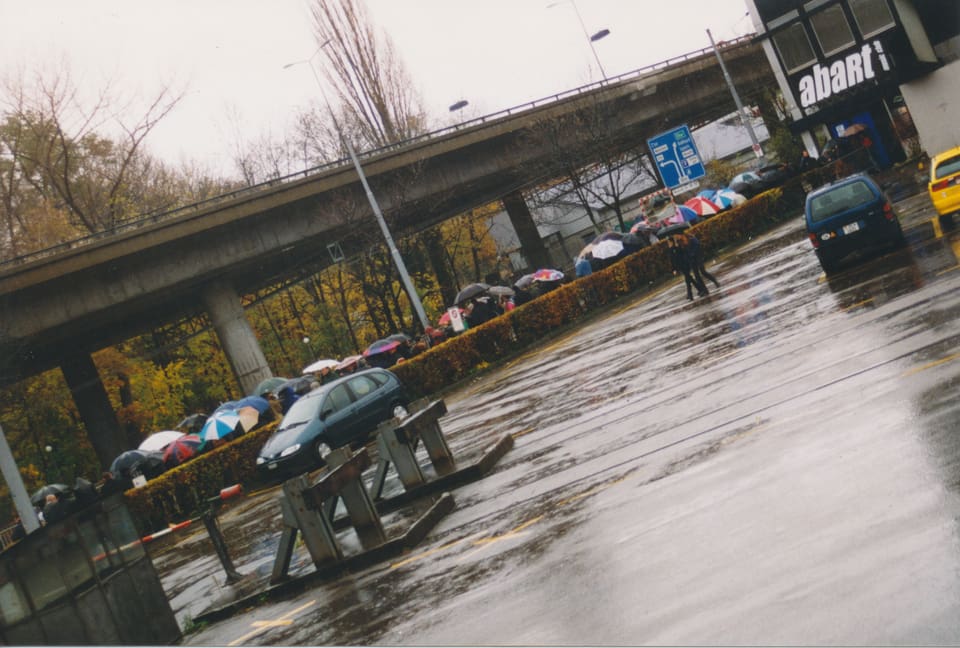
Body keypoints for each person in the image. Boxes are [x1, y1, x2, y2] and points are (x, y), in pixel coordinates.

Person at [667, 235, 708, 300]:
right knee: (689, 279)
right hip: (680, 266)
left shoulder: (678, 246)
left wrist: (677, 246)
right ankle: (697, 290)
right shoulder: (671, 249)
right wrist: (674, 269)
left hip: (685, 265)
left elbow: (682, 254)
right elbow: (672, 260)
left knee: (688, 279)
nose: (668, 244)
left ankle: (691, 294)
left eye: (669, 242)